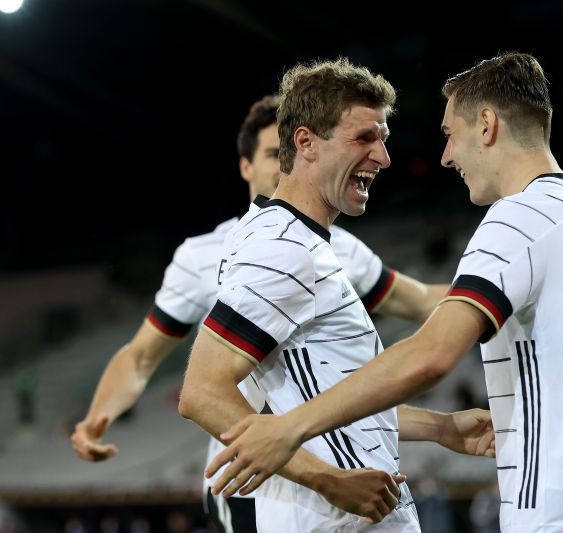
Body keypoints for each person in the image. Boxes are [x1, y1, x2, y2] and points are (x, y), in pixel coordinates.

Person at [207, 52, 563, 532]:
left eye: (450, 135)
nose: (446, 156)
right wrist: (439, 426)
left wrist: (287, 428)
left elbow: (431, 352)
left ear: (486, 125)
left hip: (560, 507)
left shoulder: (519, 217)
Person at [70, 94, 452, 531]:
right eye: (271, 153)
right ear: (246, 167)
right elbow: (142, 358)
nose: (280, 163)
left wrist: (500, 294)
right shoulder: (202, 255)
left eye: (285, 150)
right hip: (248, 478)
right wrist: (95, 417)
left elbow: (422, 300)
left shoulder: (338, 246)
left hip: (331, 467)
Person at [179, 58, 495, 532]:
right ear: (305, 142)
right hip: (337, 519)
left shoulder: (292, 243)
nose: (383, 157)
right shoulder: (283, 250)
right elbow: (202, 392)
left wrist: (440, 427)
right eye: (364, 138)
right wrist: (329, 481)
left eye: (383, 139)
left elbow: (323, 396)